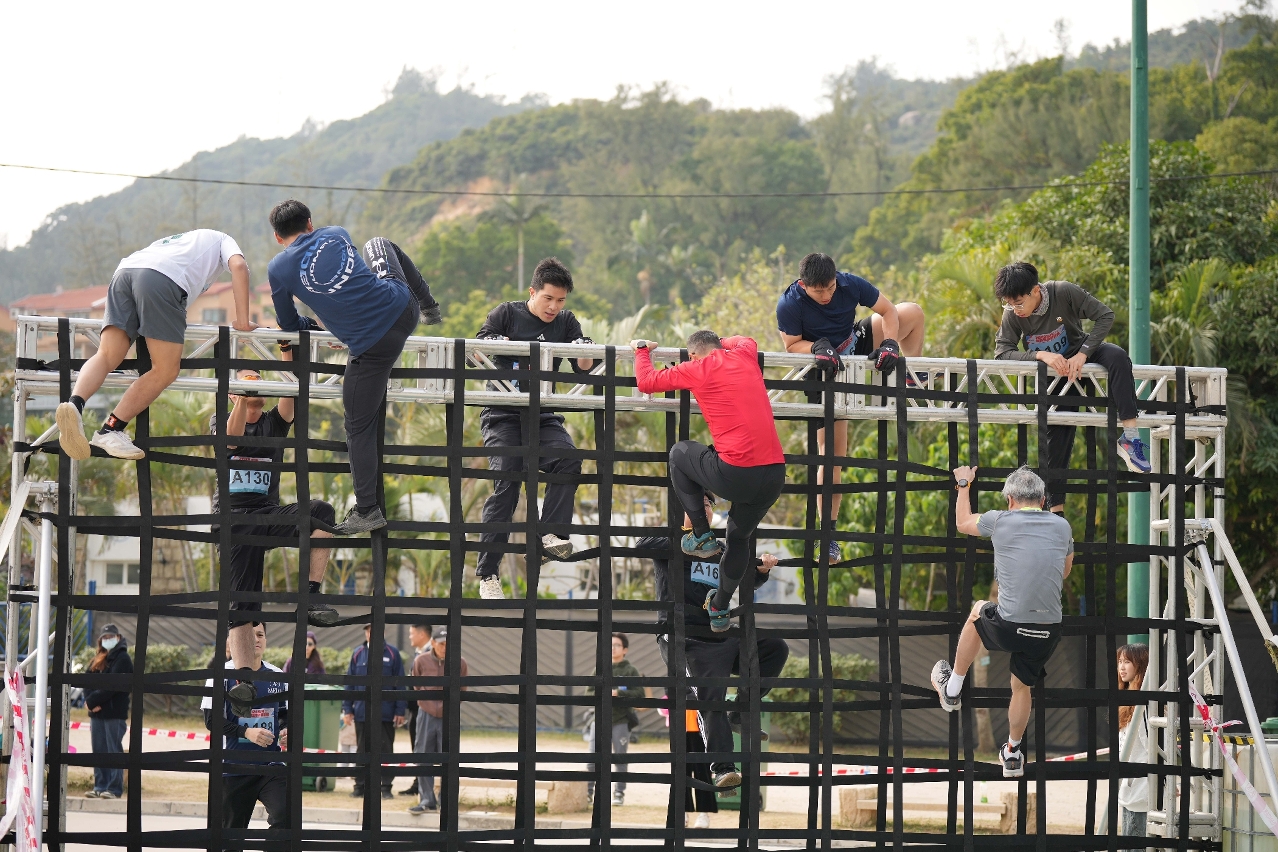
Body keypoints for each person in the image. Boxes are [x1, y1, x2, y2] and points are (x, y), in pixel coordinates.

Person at [265, 199, 442, 535]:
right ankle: (429, 306)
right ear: (310, 223)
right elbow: (353, 287)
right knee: (378, 243)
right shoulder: (336, 232)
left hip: (373, 347)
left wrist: (311, 325)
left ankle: (367, 510)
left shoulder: (277, 268)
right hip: (403, 307)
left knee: (358, 427)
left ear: (277, 237)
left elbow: (288, 323)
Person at [212, 348, 338, 717]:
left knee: (321, 513)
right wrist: (241, 395)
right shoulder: (221, 419)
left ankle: (311, 595)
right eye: (247, 382)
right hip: (233, 520)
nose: (255, 388)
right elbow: (230, 441)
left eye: (258, 382)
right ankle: (244, 680)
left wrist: (285, 352)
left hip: (267, 513)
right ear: (232, 393)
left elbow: (293, 388)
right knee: (243, 604)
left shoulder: (274, 422)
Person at [632, 331, 786, 633]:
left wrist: (641, 349)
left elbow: (646, 381)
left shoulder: (696, 368)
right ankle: (719, 607)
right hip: (774, 475)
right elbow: (745, 339)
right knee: (738, 540)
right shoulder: (744, 355)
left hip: (736, 472)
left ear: (692, 355)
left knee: (678, 453)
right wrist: (722, 344)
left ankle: (701, 534)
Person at [776, 252, 926, 561]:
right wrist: (816, 346)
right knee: (832, 457)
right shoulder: (789, 303)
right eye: (819, 291)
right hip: (823, 368)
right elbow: (790, 345)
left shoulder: (850, 284)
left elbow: (888, 311)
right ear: (804, 285)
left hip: (853, 343)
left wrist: (890, 343)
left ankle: (908, 375)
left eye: (831, 288)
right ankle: (827, 536)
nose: (827, 295)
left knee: (911, 311)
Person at [57, 230, 256, 461]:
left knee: (107, 354)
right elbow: (239, 266)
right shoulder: (223, 239)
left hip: (124, 272)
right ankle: (110, 430)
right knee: (165, 369)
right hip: (160, 279)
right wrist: (243, 322)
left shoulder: (182, 243)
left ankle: (75, 404)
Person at [930, 465, 1073, 778]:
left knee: (977, 610)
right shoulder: (1062, 526)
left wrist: (964, 483)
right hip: (1047, 630)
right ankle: (1012, 753)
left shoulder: (1001, 520)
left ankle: (952, 689)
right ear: (1043, 500)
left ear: (1010, 500)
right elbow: (1064, 572)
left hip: (1009, 625)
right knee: (1021, 687)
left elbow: (962, 523)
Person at [640, 495, 790, 792]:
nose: (704, 510)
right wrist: (685, 539)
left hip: (720, 633)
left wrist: (761, 571)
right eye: (698, 505)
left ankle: (740, 711)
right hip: (686, 637)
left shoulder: (719, 548)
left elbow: (742, 579)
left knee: (774, 648)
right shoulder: (670, 540)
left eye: (709, 506)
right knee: (710, 696)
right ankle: (723, 768)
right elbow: (641, 544)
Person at [473, 257, 596, 600]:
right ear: (533, 292)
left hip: (542, 415)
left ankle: (550, 535)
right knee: (508, 481)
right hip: (503, 414)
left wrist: (584, 350)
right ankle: (487, 574)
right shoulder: (506, 314)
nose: (554, 307)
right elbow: (478, 351)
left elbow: (584, 368)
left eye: (561, 300)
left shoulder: (566, 322)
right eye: (548, 299)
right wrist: (503, 345)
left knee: (568, 459)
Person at [992, 261, 1151, 514]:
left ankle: (1131, 437)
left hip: (1083, 353)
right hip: (1056, 376)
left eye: (1019, 303)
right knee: (1057, 444)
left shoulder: (1063, 292)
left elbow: (1105, 315)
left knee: (1118, 357)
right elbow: (1002, 353)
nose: (1014, 309)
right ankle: (1056, 516)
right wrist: (1040, 355)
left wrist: (1083, 354)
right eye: (1009, 304)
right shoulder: (1013, 314)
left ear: (1035, 291)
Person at [201, 622, 291, 840]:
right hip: (233, 769)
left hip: (271, 766)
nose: (256, 639)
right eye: (249, 635)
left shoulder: (277, 675)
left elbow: (284, 714)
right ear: (236, 641)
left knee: (286, 816)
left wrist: (286, 729)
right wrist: (246, 732)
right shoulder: (220, 675)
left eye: (260, 634)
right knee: (230, 837)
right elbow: (212, 721)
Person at [342, 623, 408, 800]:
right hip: (362, 713)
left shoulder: (392, 653)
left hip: (385, 713)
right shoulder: (358, 653)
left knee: (386, 751)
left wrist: (400, 710)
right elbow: (350, 682)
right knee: (362, 751)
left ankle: (385, 787)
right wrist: (347, 708)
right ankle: (360, 786)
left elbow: (400, 683)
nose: (371, 633)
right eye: (368, 630)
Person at [409, 626, 469, 816]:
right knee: (423, 756)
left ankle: (447, 801)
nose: (445, 648)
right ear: (433, 643)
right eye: (442, 644)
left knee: (450, 758)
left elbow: (463, 689)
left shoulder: (459, 663)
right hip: (426, 714)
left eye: (449, 644)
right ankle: (427, 800)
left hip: (449, 716)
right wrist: (426, 703)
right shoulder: (421, 661)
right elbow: (416, 685)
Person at [584, 633, 643, 806]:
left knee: (619, 758)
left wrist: (619, 693)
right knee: (593, 758)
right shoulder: (600, 669)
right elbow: (588, 693)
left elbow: (639, 694)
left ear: (625, 649)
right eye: (610, 645)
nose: (612, 648)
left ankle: (619, 793)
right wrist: (603, 693)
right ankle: (588, 792)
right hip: (599, 720)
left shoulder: (631, 671)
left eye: (617, 645)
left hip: (621, 721)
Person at [83, 624, 133, 800]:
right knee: (99, 751)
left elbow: (113, 686)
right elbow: (87, 680)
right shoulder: (98, 658)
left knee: (113, 751)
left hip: (114, 714)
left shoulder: (123, 659)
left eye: (110, 636)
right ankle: (100, 786)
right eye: (104, 637)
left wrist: (92, 701)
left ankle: (113, 789)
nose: (107, 640)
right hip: (97, 714)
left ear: (118, 638)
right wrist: (90, 702)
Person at [1117, 643, 1151, 850]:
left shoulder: (1145, 705)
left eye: (1127, 662)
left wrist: (1167, 780)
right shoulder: (1127, 701)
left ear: (1141, 665)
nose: (1121, 667)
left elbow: (1153, 748)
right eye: (1120, 661)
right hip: (1129, 790)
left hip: (1143, 790)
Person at [399, 623, 432, 800]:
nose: (410, 637)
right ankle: (418, 781)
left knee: (425, 747)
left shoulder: (431, 653)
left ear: (421, 634)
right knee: (417, 746)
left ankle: (423, 784)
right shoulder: (419, 653)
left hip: (425, 709)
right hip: (415, 708)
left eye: (412, 634)